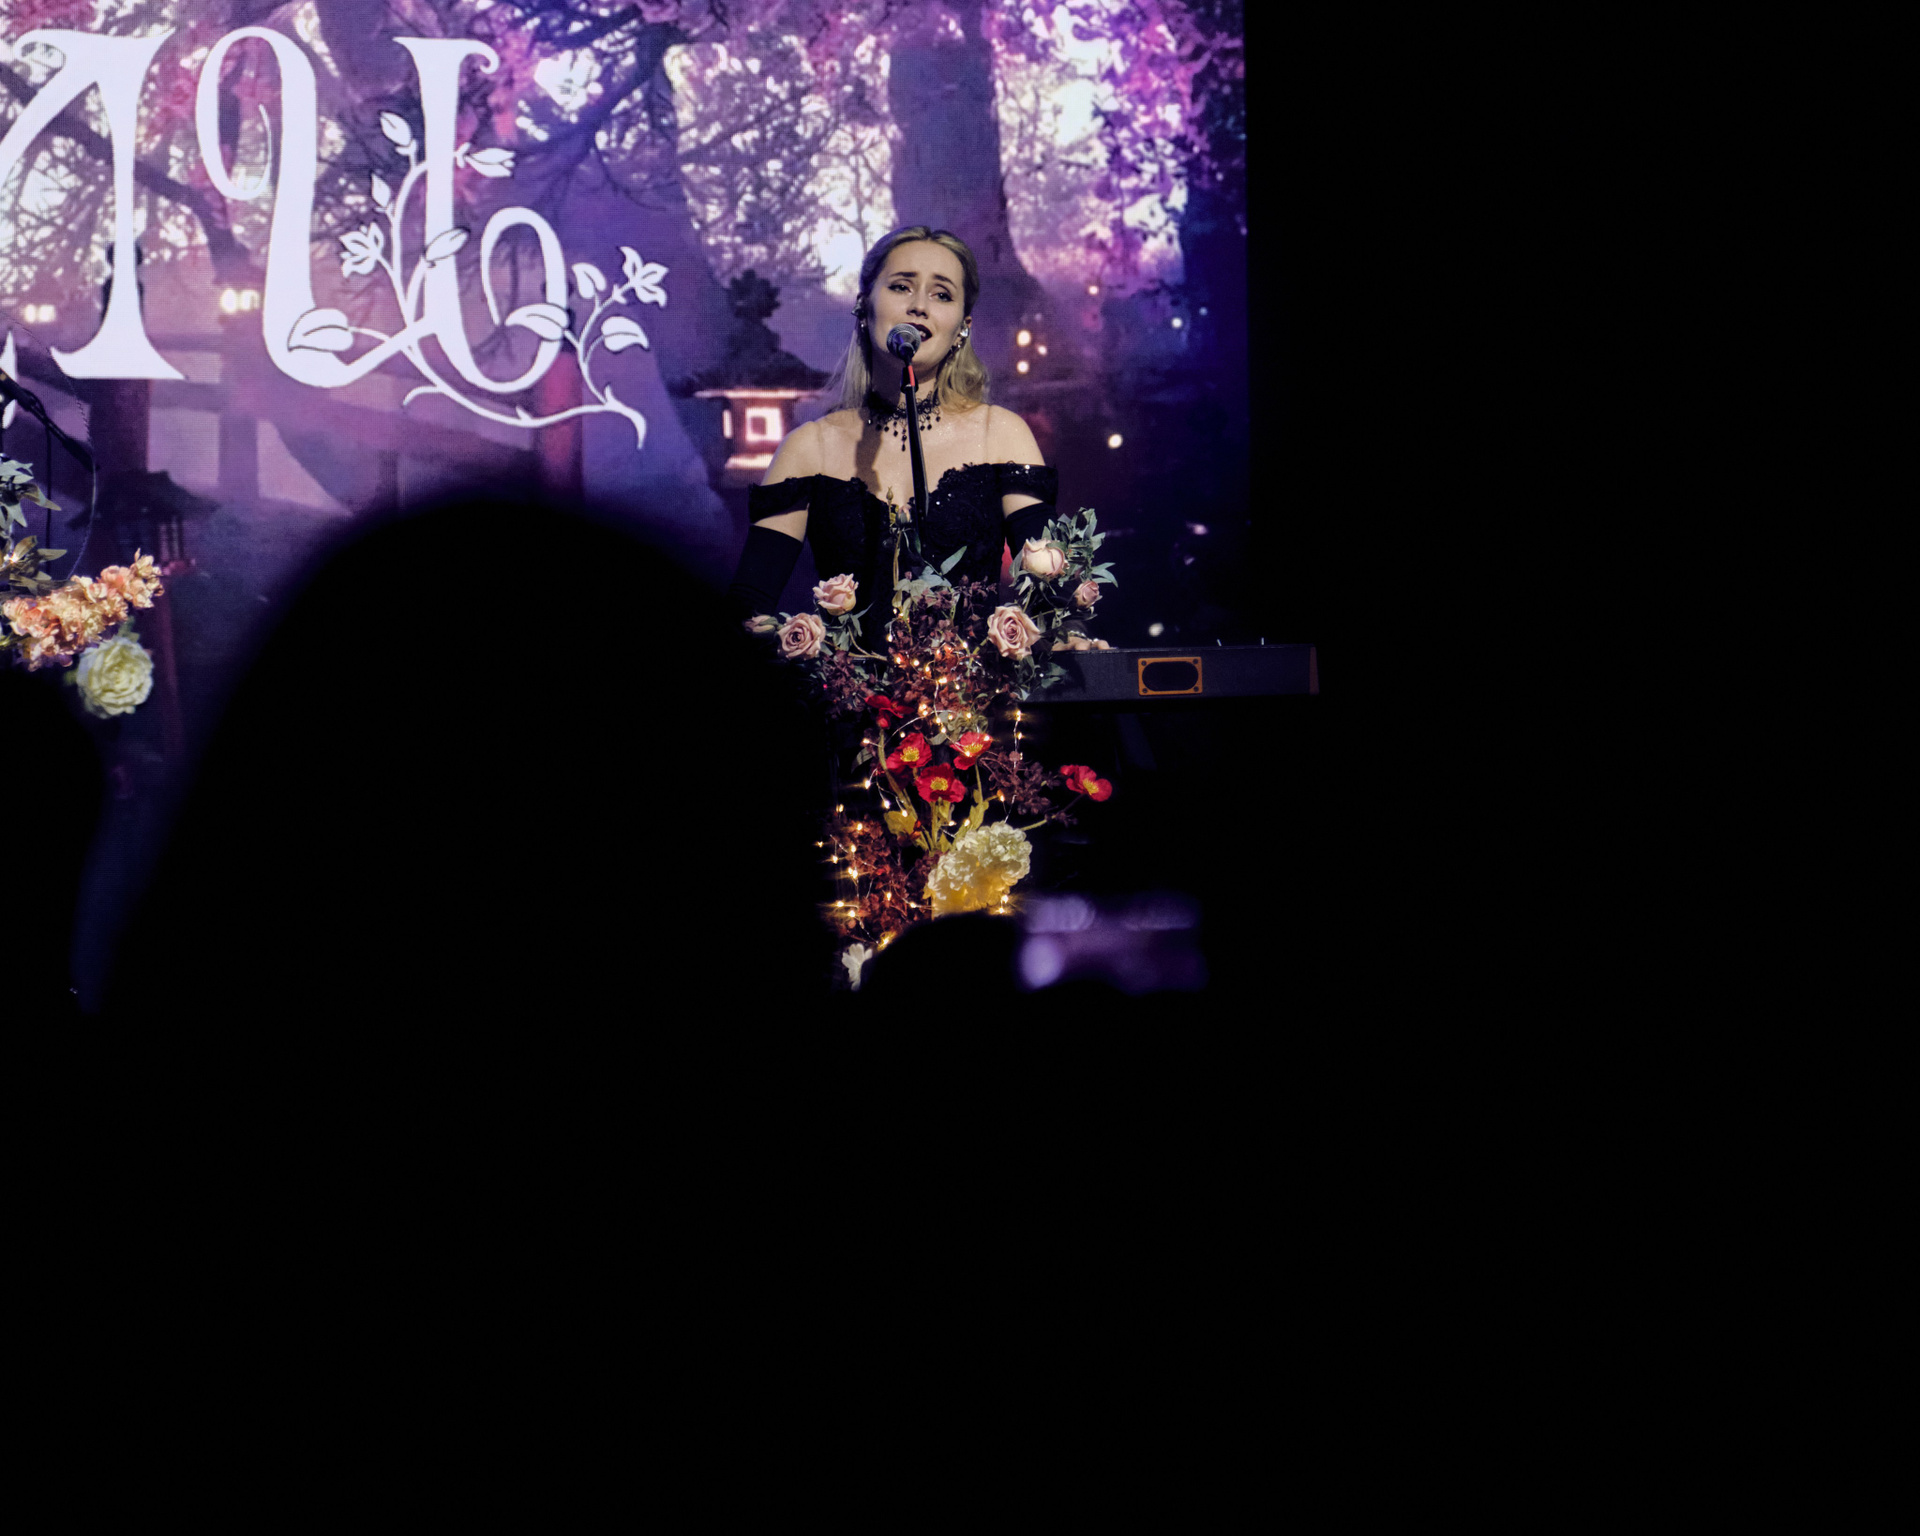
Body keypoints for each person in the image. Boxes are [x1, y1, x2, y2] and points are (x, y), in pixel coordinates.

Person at [726, 226, 1058, 626]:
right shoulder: (809, 448)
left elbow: (1052, 594)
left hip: (971, 669)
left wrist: (1069, 631)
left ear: (962, 327)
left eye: (942, 294)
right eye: (901, 287)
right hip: (849, 670)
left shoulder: (1001, 435)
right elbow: (748, 606)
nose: (919, 306)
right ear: (863, 307)